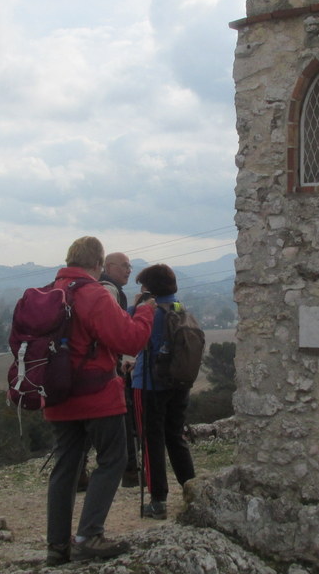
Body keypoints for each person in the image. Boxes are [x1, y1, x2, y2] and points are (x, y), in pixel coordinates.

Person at [43, 237, 154, 565]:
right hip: (95, 393)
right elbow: (129, 338)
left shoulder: (49, 291)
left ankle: (56, 547)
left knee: (66, 465)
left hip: (57, 393)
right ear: (98, 264)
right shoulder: (92, 293)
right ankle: (89, 535)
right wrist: (145, 313)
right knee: (113, 459)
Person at [131, 264, 196, 520]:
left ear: (149, 289)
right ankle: (193, 491)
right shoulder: (179, 307)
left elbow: (129, 330)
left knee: (150, 442)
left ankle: (158, 501)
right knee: (175, 437)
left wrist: (137, 306)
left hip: (148, 384)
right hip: (178, 384)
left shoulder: (151, 311)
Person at [98, 252, 141, 488]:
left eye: (130, 266)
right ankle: (130, 471)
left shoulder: (104, 288)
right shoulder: (109, 291)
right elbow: (113, 329)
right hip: (107, 369)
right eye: (124, 266)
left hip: (101, 365)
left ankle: (81, 473)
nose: (129, 270)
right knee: (124, 417)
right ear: (108, 266)